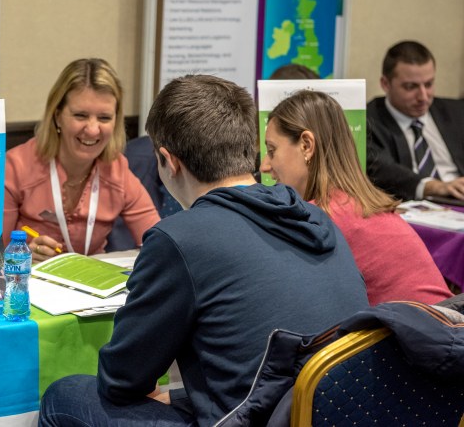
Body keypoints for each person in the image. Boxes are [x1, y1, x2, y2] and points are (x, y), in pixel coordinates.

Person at [39, 75, 368, 427]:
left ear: (169, 160)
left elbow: (121, 381)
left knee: (65, 395)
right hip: (330, 413)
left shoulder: (180, 238)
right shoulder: (315, 217)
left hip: (253, 415)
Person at [261, 89, 452, 305]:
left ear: (306, 145)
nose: (264, 166)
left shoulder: (321, 220)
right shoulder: (356, 204)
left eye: (272, 150)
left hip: (411, 335)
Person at [3, 58, 160, 260]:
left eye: (104, 118)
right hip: (27, 284)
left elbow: (158, 241)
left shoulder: (117, 170)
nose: (93, 129)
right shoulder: (16, 168)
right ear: (57, 115)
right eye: (80, 115)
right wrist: (19, 256)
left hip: (90, 286)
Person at [367, 40, 464, 201]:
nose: (423, 97)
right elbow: (381, 169)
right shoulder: (369, 120)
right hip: (412, 207)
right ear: (385, 84)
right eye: (411, 87)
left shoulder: (456, 112)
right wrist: (435, 187)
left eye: (429, 84)